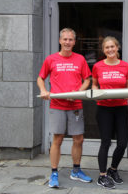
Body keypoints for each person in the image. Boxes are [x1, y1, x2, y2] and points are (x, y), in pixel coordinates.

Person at [37, 28, 92, 188]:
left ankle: (76, 171)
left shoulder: (80, 59)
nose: (67, 42)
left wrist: (78, 93)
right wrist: (43, 90)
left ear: (74, 42)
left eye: (70, 39)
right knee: (58, 139)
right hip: (57, 105)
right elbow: (40, 78)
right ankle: (54, 172)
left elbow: (87, 79)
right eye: (65, 39)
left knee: (78, 139)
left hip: (75, 105)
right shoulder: (51, 59)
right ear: (60, 41)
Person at [92, 36, 128, 189]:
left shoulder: (126, 66)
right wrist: (96, 94)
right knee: (106, 142)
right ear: (103, 50)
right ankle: (102, 176)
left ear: (117, 48)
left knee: (122, 143)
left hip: (121, 107)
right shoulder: (97, 66)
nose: (110, 50)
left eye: (112, 47)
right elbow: (95, 85)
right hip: (104, 109)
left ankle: (113, 169)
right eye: (107, 47)